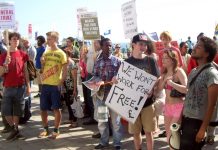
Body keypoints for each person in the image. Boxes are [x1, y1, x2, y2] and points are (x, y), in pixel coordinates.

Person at [180, 36, 218, 149]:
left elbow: (212, 105)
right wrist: (180, 116)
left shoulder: (212, 74)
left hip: (197, 123)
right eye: (195, 45)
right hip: (186, 120)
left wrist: (202, 129)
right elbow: (188, 95)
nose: (194, 48)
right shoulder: (193, 71)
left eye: (199, 46)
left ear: (206, 54)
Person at [126, 33, 160, 150]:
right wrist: (116, 80)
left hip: (148, 103)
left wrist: (152, 88)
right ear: (133, 45)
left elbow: (157, 78)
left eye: (145, 44)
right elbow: (122, 82)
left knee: (149, 132)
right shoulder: (126, 62)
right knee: (136, 133)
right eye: (141, 44)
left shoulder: (151, 60)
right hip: (132, 103)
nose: (143, 46)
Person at [0, 32, 30, 140]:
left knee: (18, 110)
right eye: (13, 39)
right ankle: (14, 129)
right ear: (9, 40)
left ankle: (15, 129)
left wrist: (28, 85)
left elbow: (26, 71)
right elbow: (0, 73)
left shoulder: (23, 54)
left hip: (20, 86)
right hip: (8, 87)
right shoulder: (3, 55)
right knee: (6, 110)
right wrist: (5, 64)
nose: (15, 40)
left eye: (17, 39)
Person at [93, 38, 123, 150]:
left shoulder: (118, 61)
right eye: (107, 45)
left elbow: (123, 78)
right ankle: (104, 142)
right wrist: (97, 82)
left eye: (111, 45)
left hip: (114, 96)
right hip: (101, 96)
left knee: (116, 121)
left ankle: (117, 143)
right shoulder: (98, 62)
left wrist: (117, 79)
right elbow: (94, 76)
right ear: (102, 46)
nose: (109, 47)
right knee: (102, 120)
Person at [38, 31, 67, 139]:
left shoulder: (61, 53)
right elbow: (42, 69)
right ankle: (45, 129)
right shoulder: (45, 52)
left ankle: (56, 130)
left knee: (56, 108)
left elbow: (65, 69)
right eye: (47, 39)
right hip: (45, 83)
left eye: (49, 39)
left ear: (55, 40)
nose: (47, 41)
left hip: (55, 85)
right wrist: (42, 63)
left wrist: (61, 81)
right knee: (42, 109)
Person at [157, 50, 187, 149]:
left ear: (172, 60)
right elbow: (159, 89)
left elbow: (187, 89)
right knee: (169, 134)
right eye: (163, 58)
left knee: (174, 132)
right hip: (168, 107)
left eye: (166, 58)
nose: (163, 60)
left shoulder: (179, 71)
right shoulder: (164, 73)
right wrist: (163, 80)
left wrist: (172, 84)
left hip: (178, 107)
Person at [62, 50, 78, 128]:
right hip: (65, 86)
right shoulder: (64, 63)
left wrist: (75, 89)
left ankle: (75, 121)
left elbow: (75, 78)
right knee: (68, 103)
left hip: (71, 87)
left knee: (72, 104)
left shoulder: (72, 63)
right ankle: (70, 119)